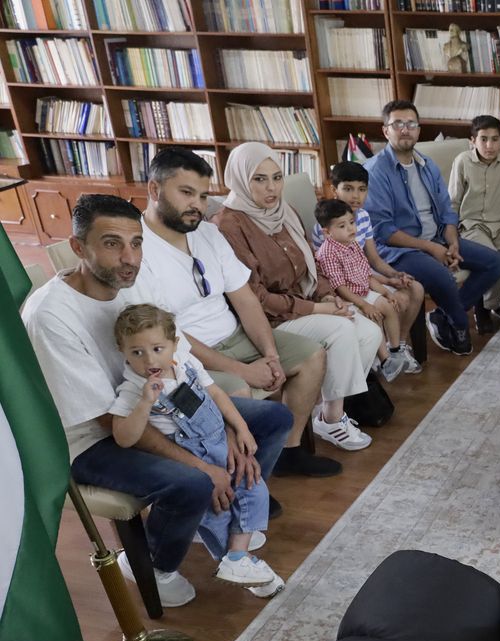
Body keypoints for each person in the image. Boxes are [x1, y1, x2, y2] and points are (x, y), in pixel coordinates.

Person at [22, 194, 293, 606]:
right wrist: (207, 464)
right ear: (79, 248)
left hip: (166, 409)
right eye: (112, 243)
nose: (129, 257)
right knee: (192, 480)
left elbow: (180, 360)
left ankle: (218, 514)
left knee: (270, 420)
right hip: (93, 439)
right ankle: (151, 562)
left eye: (136, 242)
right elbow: (107, 425)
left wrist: (227, 429)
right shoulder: (50, 316)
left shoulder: (131, 283)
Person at [138, 147, 337, 480]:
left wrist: (271, 355)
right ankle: (245, 482)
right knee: (237, 390)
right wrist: (242, 372)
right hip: (185, 357)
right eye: (186, 193)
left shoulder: (208, 233)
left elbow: (244, 298)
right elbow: (167, 335)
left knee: (311, 356)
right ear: (155, 190)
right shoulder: (138, 250)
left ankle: (287, 453)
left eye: (203, 196)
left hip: (234, 336)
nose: (197, 206)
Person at [215, 142, 381, 452]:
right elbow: (256, 297)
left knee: (369, 331)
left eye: (277, 177)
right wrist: (317, 307)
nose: (272, 187)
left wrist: (329, 296)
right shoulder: (229, 225)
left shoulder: (284, 211)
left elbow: (313, 264)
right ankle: (333, 419)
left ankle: (322, 407)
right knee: (343, 328)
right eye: (259, 179)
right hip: (268, 320)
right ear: (239, 178)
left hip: (305, 304)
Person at [109, 304, 280, 587]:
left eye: (157, 348)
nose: (149, 359)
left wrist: (240, 427)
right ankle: (233, 559)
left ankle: (238, 558)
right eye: (136, 352)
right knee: (218, 514)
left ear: (174, 344)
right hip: (189, 455)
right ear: (122, 351)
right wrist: (144, 404)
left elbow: (215, 393)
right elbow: (124, 437)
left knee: (254, 487)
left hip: (217, 442)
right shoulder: (131, 390)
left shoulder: (185, 363)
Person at [364, 100, 500, 355]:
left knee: (495, 263)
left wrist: (451, 242)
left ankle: (442, 316)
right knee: (442, 277)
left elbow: (446, 211)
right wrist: (431, 248)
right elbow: (384, 231)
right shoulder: (375, 172)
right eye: (398, 124)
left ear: (419, 130)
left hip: (438, 240)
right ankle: (459, 324)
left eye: (411, 124)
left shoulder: (426, 165)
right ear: (386, 130)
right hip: (400, 250)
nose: (405, 129)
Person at [313, 198, 421, 381]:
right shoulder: (327, 253)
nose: (350, 229)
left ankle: (395, 351)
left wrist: (387, 292)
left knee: (389, 305)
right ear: (327, 232)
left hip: (363, 289)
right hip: (348, 297)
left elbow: (367, 275)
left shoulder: (353, 243)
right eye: (342, 226)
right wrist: (365, 305)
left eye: (352, 223)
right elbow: (340, 288)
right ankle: (385, 361)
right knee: (374, 317)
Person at [448, 114, 500, 332]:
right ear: (473, 141)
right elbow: (453, 202)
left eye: (495, 139)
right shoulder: (462, 161)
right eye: (483, 139)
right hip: (472, 226)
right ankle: (483, 307)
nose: (489, 145)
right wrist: (451, 237)